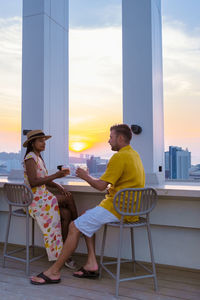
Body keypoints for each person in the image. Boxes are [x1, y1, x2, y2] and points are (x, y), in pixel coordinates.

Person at [30, 124, 145, 284]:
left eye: (111, 137)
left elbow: (100, 186)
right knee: (85, 218)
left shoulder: (119, 157)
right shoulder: (135, 155)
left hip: (117, 208)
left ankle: (53, 272)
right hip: (132, 210)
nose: (108, 141)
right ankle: (91, 264)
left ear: (120, 138)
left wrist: (85, 176)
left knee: (74, 226)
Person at [23, 130, 78, 268]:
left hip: (43, 197)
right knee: (68, 198)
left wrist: (58, 185)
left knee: (65, 214)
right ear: (32, 143)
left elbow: (44, 180)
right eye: (40, 141)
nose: (44, 143)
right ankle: (78, 226)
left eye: (44, 141)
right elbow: (34, 182)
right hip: (35, 201)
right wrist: (56, 175)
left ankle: (64, 253)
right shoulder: (30, 158)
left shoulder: (38, 158)